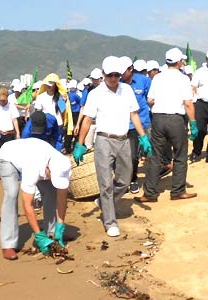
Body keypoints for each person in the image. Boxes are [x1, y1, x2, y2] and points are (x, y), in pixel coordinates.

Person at [73, 56, 152, 237]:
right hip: (103, 140)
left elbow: (134, 114)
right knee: (106, 183)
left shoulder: (127, 90)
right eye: (110, 75)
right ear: (103, 75)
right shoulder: (95, 94)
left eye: (117, 75)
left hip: (123, 140)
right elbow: (87, 119)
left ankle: (103, 202)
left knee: (124, 181)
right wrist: (80, 143)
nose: (114, 79)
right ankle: (110, 222)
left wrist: (143, 137)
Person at [137, 47, 198, 203]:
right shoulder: (183, 79)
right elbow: (188, 104)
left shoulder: (157, 78)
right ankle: (177, 191)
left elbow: (150, 100)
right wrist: (193, 123)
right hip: (175, 119)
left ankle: (150, 193)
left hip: (158, 118)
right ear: (178, 62)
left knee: (156, 156)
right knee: (180, 155)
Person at [0, 137, 72, 260]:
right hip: (8, 156)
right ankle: (8, 243)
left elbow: (62, 199)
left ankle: (52, 234)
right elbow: (28, 205)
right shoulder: (33, 167)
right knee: (12, 193)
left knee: (51, 192)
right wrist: (38, 235)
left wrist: (60, 225)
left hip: (36, 154)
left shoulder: (64, 165)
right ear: (48, 169)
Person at [119, 56, 152, 194]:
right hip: (120, 124)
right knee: (121, 156)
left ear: (131, 69)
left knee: (133, 155)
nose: (120, 74)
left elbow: (151, 99)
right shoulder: (117, 83)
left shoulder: (144, 81)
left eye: (123, 71)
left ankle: (133, 180)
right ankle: (122, 180)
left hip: (138, 124)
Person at [0, 87, 20, 181]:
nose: (2, 102)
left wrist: (18, 133)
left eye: (4, 100)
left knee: (11, 154)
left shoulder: (12, 106)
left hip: (9, 133)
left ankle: (13, 172)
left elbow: (15, 120)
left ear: (7, 97)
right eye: (1, 100)